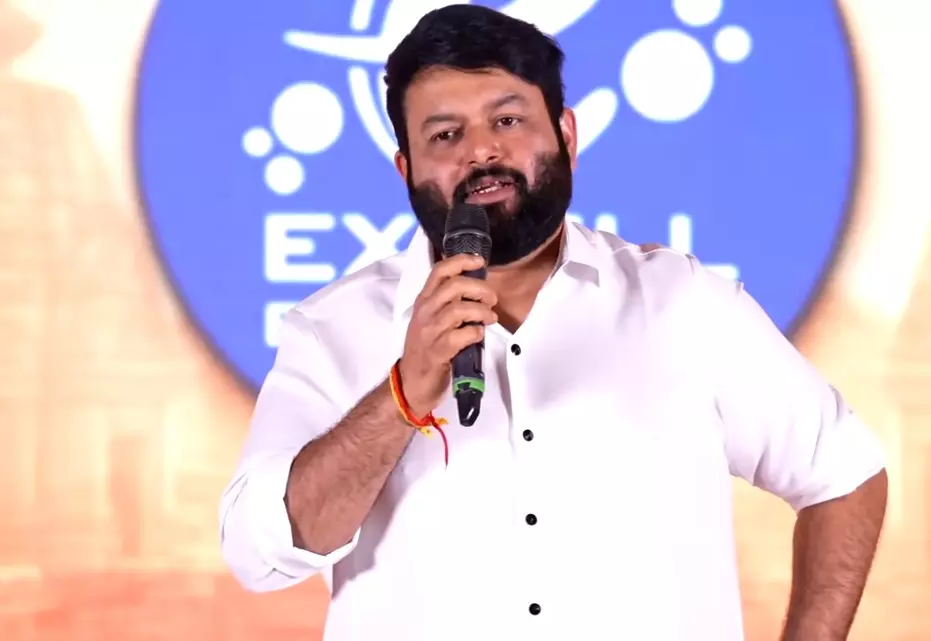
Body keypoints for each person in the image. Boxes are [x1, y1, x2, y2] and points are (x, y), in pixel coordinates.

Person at [218, 5, 888, 640]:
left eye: (507, 120)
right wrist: (401, 394)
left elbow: (842, 472)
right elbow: (258, 553)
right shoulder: (332, 331)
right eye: (446, 135)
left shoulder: (683, 305)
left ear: (566, 135)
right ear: (406, 169)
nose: (482, 152)